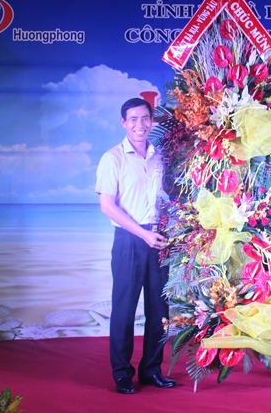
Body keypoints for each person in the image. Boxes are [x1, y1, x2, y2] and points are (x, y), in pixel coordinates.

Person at [96, 97, 176, 394]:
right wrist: (143, 234)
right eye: (133, 119)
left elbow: (168, 195)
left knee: (160, 309)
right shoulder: (112, 157)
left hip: (159, 238)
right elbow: (107, 206)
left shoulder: (159, 156)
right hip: (129, 240)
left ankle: (151, 369)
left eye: (145, 118)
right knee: (124, 308)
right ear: (123, 123)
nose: (140, 125)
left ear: (151, 121)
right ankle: (122, 374)